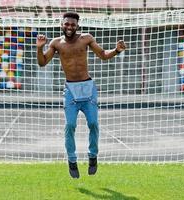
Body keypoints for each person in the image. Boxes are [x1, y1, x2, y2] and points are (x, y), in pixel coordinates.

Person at [36, 12, 126, 178]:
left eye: (73, 24)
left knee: (93, 124)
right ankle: (72, 160)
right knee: (70, 125)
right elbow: (42, 63)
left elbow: (103, 55)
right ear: (61, 25)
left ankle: (93, 156)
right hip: (71, 90)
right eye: (67, 24)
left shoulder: (86, 38)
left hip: (88, 88)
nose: (69, 27)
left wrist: (116, 50)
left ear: (78, 26)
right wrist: (40, 47)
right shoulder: (56, 43)